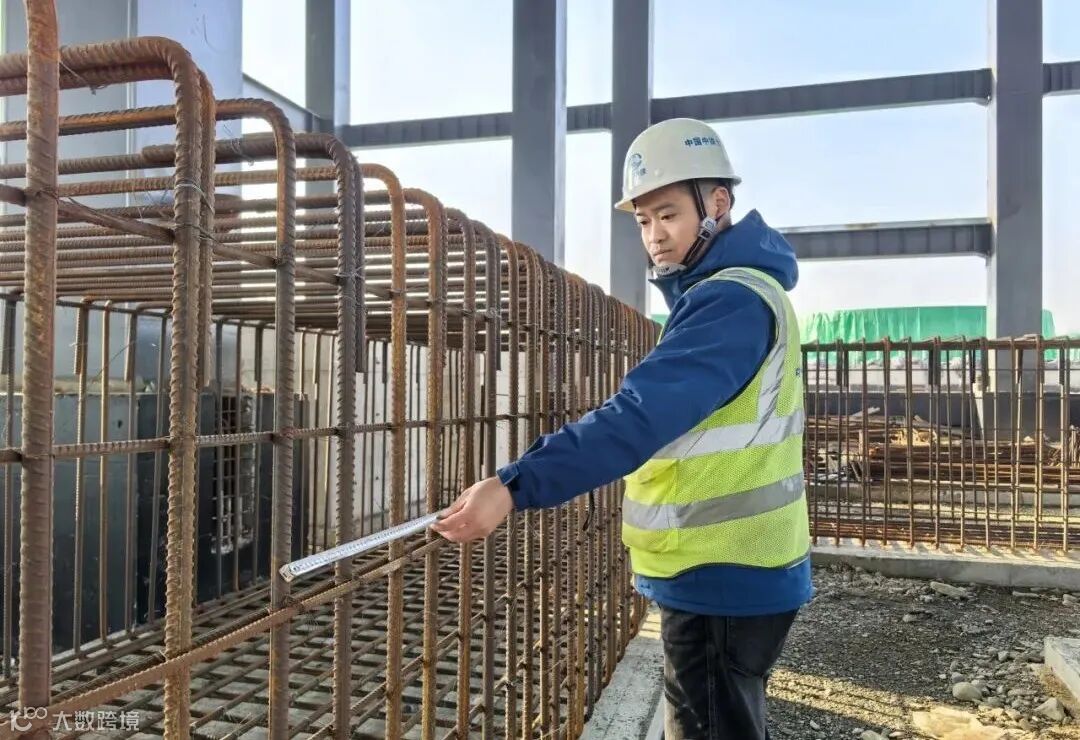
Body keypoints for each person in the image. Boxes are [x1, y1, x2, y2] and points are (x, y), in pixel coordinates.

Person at [433, 117, 812, 740]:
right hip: (737, 569)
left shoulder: (730, 301)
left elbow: (637, 417)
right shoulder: (739, 292)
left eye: (669, 214)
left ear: (717, 204)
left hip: (722, 571)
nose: (654, 235)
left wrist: (513, 485)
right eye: (643, 220)